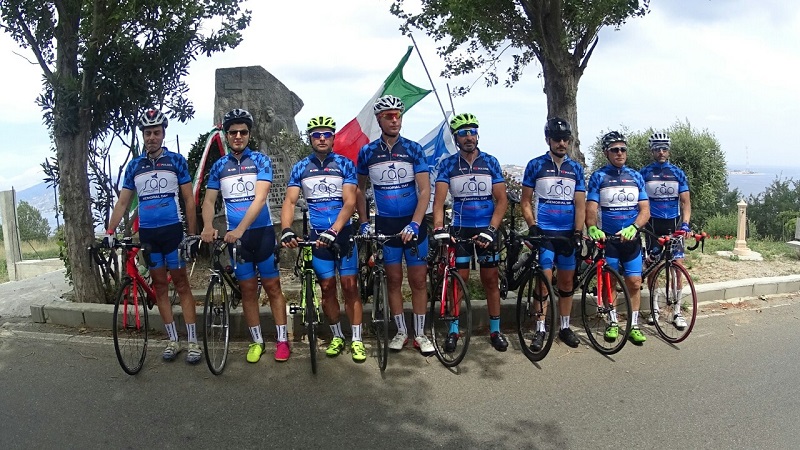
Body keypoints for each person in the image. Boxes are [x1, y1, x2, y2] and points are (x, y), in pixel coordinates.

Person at [105, 108, 202, 364]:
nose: (152, 138)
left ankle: (193, 342)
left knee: (181, 285)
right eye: (147, 133)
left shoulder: (176, 161)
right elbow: (123, 203)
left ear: (163, 134)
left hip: (173, 232)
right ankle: (173, 340)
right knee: (159, 287)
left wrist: (192, 235)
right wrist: (110, 231)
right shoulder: (135, 166)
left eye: (156, 132)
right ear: (143, 136)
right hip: (149, 236)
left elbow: (189, 200)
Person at [200, 108, 291, 363]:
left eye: (243, 132)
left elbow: (260, 199)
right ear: (227, 136)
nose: (238, 136)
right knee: (248, 291)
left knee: (273, 288)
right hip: (238, 242)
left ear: (249, 134)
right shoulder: (219, 166)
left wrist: (239, 229)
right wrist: (207, 225)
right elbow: (209, 201)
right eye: (233, 132)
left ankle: (282, 340)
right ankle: (257, 341)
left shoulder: (260, 161)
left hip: (262, 234)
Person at [280, 116, 366, 363]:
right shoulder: (300, 167)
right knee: (327, 289)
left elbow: (350, 202)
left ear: (333, 138)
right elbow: (290, 201)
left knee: (350, 286)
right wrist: (286, 229)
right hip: (318, 237)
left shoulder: (344, 164)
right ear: (310, 138)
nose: (321, 138)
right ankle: (337, 336)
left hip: (343, 234)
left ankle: (357, 339)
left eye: (326, 134)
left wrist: (335, 230)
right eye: (316, 134)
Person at [355, 95, 434, 355]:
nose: (394, 120)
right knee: (394, 280)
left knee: (418, 281)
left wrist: (415, 223)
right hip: (386, 225)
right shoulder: (367, 152)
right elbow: (359, 189)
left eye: (398, 115)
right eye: (388, 116)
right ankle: (401, 331)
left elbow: (425, 191)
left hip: (413, 225)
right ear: (379, 120)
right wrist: (364, 222)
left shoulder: (413, 149)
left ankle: (420, 334)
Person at [432, 113, 509, 351]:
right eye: (463, 133)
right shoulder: (448, 164)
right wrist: (439, 228)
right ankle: (454, 331)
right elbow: (439, 202)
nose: (469, 137)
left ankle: (495, 330)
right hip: (460, 230)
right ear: (456, 138)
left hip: (486, 229)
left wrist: (491, 230)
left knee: (491, 280)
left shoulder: (490, 162)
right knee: (458, 281)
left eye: (472, 132)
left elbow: (502, 200)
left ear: (477, 135)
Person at [520, 117, 586, 351]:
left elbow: (580, 204)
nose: (562, 143)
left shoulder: (575, 168)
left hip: (567, 234)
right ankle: (540, 329)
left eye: (565, 139)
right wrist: (532, 226)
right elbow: (525, 201)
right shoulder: (535, 165)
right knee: (544, 283)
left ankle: (565, 327)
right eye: (557, 139)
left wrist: (578, 232)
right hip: (545, 233)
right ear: (548, 139)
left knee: (567, 282)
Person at [585, 131, 651, 345]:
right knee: (610, 281)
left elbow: (645, 209)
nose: (620, 153)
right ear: (606, 153)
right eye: (615, 150)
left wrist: (635, 226)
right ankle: (612, 321)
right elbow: (591, 207)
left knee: (635, 282)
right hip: (609, 240)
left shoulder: (636, 176)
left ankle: (633, 325)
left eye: (623, 149)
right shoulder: (599, 177)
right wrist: (592, 227)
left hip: (632, 240)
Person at [639, 132, 691, 329]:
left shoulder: (677, 173)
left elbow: (685, 203)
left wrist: (685, 224)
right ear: (652, 151)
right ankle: (654, 309)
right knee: (653, 268)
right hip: (653, 226)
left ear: (668, 151)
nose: (661, 152)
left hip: (673, 225)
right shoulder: (644, 173)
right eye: (657, 149)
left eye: (664, 149)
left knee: (677, 267)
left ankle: (677, 312)